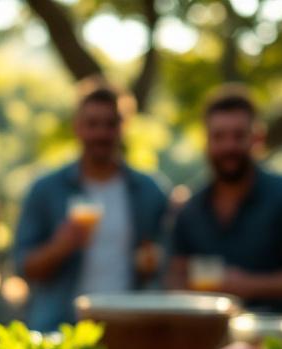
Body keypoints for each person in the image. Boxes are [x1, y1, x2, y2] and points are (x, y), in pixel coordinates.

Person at [14, 79, 168, 331]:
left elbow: (169, 263)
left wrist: (152, 261)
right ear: (77, 127)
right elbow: (23, 267)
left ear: (124, 127)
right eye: (92, 124)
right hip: (60, 325)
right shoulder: (46, 189)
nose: (101, 133)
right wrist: (59, 247)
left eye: (110, 124)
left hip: (129, 324)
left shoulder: (150, 191)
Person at [169, 85, 282, 315]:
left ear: (257, 138)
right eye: (219, 136)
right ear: (207, 141)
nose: (229, 146)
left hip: (279, 339)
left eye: (239, 136)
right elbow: (174, 279)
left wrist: (248, 285)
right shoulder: (189, 208)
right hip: (210, 342)